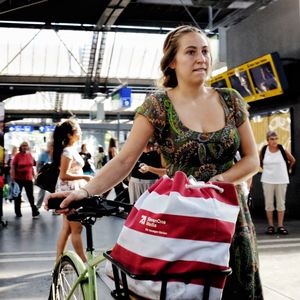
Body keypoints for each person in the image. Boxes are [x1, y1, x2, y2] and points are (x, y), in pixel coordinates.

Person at [46, 25, 263, 299]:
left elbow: (252, 159)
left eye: (205, 51)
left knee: (235, 288)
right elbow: (125, 160)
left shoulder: (231, 100)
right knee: (183, 291)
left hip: (230, 216)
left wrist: (217, 183)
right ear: (172, 61)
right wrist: (86, 190)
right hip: (181, 218)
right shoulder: (157, 106)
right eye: (191, 52)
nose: (201, 59)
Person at [52, 119, 93, 262]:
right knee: (77, 229)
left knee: (68, 229)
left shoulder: (70, 150)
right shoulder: (68, 152)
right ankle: (84, 262)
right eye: (78, 130)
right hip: (69, 192)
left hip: (69, 191)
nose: (80, 132)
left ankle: (59, 260)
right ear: (70, 135)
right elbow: (63, 175)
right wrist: (85, 177)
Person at [260, 131, 296, 235]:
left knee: (281, 203)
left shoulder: (282, 149)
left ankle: (280, 226)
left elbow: (292, 160)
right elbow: (260, 162)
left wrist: (285, 170)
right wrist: (267, 171)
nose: (274, 141)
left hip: (282, 180)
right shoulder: (264, 150)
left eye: (276, 138)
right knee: (269, 204)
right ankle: (271, 226)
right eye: (272, 139)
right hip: (267, 180)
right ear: (267, 140)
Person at [11, 141, 39, 218]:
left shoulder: (30, 155)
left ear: (28, 147)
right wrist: (13, 177)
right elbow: (13, 167)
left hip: (28, 179)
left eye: (26, 146)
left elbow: (32, 167)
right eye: (23, 146)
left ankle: (34, 211)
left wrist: (34, 176)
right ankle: (18, 212)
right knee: (18, 196)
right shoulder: (17, 156)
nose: (25, 147)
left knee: (30, 196)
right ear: (21, 147)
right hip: (18, 179)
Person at [35, 141, 53, 209]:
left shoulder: (55, 154)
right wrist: (37, 173)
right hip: (44, 175)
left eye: (52, 146)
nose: (51, 147)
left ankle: (53, 207)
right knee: (42, 191)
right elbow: (38, 164)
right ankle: (37, 207)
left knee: (53, 192)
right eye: (50, 146)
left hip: (52, 175)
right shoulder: (43, 154)